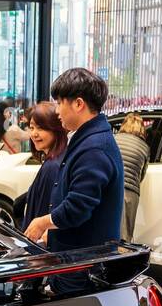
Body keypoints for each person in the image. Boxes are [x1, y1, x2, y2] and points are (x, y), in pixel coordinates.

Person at [23, 68, 124, 294]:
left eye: (60, 103)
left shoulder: (94, 147)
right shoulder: (87, 138)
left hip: (83, 264)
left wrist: (43, 223)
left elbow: (78, 207)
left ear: (78, 104)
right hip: (75, 258)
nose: (57, 110)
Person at [20, 102, 68, 228]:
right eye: (31, 128)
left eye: (40, 128)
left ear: (56, 130)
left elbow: (42, 211)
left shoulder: (52, 166)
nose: (34, 134)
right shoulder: (56, 159)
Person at [114, 113, 150, 241]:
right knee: (126, 231)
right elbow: (142, 174)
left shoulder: (114, 139)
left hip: (112, 187)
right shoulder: (144, 147)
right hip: (131, 192)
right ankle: (124, 257)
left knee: (109, 227)